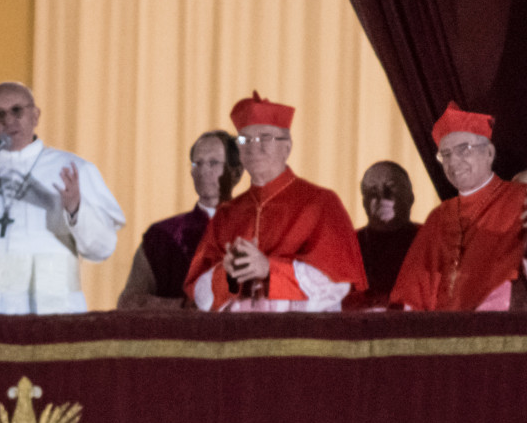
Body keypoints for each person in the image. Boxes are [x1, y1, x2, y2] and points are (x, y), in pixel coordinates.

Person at [0, 81, 124, 314]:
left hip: (53, 310)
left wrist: (75, 209)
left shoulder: (75, 169)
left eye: (17, 111)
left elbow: (102, 249)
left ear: (35, 115)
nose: (9, 121)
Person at [184, 91, 366, 312]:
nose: (254, 147)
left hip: (302, 331)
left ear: (287, 147)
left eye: (265, 138)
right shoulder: (227, 213)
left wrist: (268, 269)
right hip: (237, 331)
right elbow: (198, 292)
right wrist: (226, 272)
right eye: (245, 140)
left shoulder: (321, 203)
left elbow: (337, 284)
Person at [391, 102, 527, 310]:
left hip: (501, 322)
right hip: (445, 327)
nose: (453, 161)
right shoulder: (439, 216)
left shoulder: (520, 198)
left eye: (464, 150)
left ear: (489, 153)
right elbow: (412, 287)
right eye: (446, 154)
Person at [117, 130, 242, 309]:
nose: (203, 171)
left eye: (213, 163)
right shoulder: (162, 236)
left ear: (236, 173)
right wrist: (184, 307)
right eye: (197, 163)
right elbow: (129, 301)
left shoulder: (258, 229)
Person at [342, 161, 421, 310]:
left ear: (410, 197)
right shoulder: (345, 247)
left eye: (390, 187)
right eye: (372, 190)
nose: (382, 196)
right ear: (364, 202)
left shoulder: (432, 240)